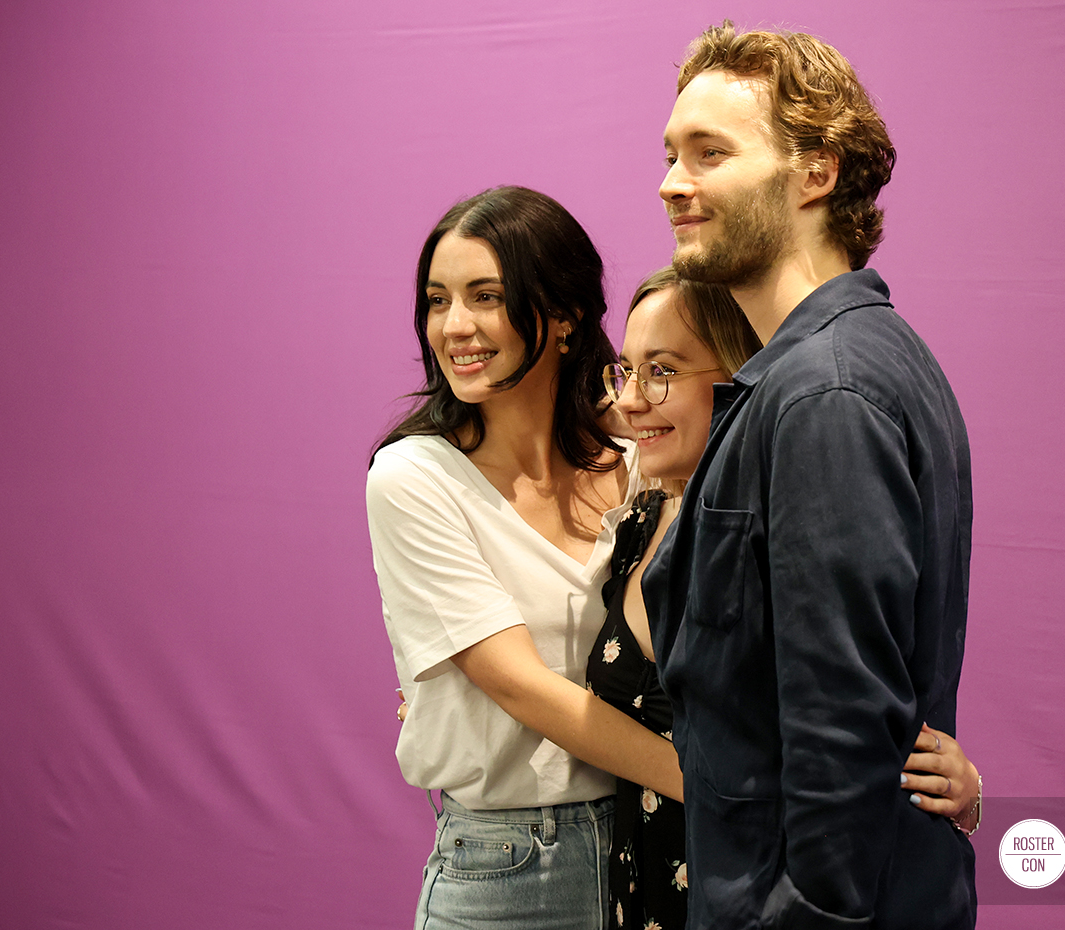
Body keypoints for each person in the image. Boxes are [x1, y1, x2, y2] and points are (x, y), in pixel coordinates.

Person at [368, 186, 978, 929]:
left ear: (562, 318)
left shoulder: (642, 468)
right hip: (515, 860)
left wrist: (920, 772)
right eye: (437, 300)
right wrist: (742, 791)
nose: (455, 325)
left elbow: (826, 654)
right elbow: (526, 688)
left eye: (486, 295)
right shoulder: (415, 478)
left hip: (671, 850)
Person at [643, 23, 978, 930]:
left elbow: (844, 730)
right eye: (672, 154)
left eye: (710, 153)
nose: (674, 183)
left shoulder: (823, 392)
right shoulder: (836, 367)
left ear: (816, 172)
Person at [588, 269, 982, 930]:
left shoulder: (804, 472)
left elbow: (842, 704)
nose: (631, 400)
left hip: (750, 896)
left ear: (738, 377)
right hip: (648, 890)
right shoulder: (634, 523)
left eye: (661, 371)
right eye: (625, 371)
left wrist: (946, 788)